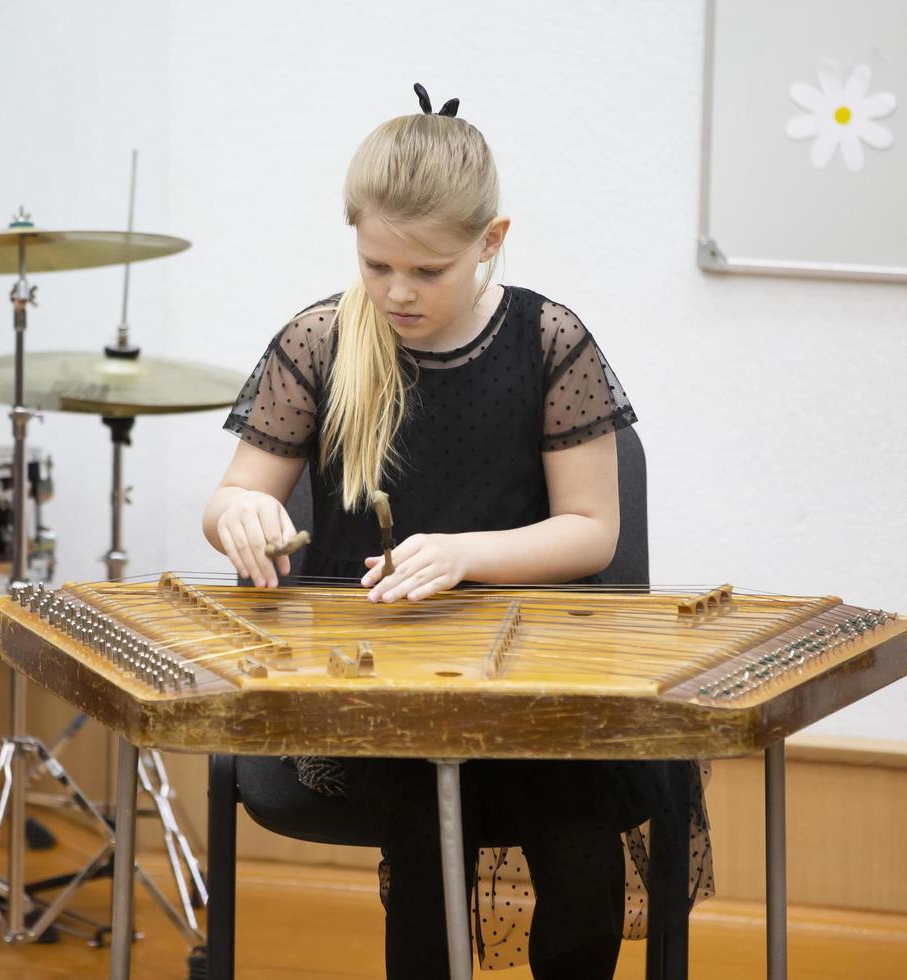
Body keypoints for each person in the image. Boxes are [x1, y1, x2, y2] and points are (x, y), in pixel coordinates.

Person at [203, 83, 710, 979]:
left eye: (428, 271)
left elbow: (592, 531)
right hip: (370, 677)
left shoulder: (551, 344)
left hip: (535, 673)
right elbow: (234, 495)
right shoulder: (320, 344)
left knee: (578, 830)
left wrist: (466, 554)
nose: (397, 292)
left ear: (492, 241)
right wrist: (240, 514)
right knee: (424, 822)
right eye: (374, 265)